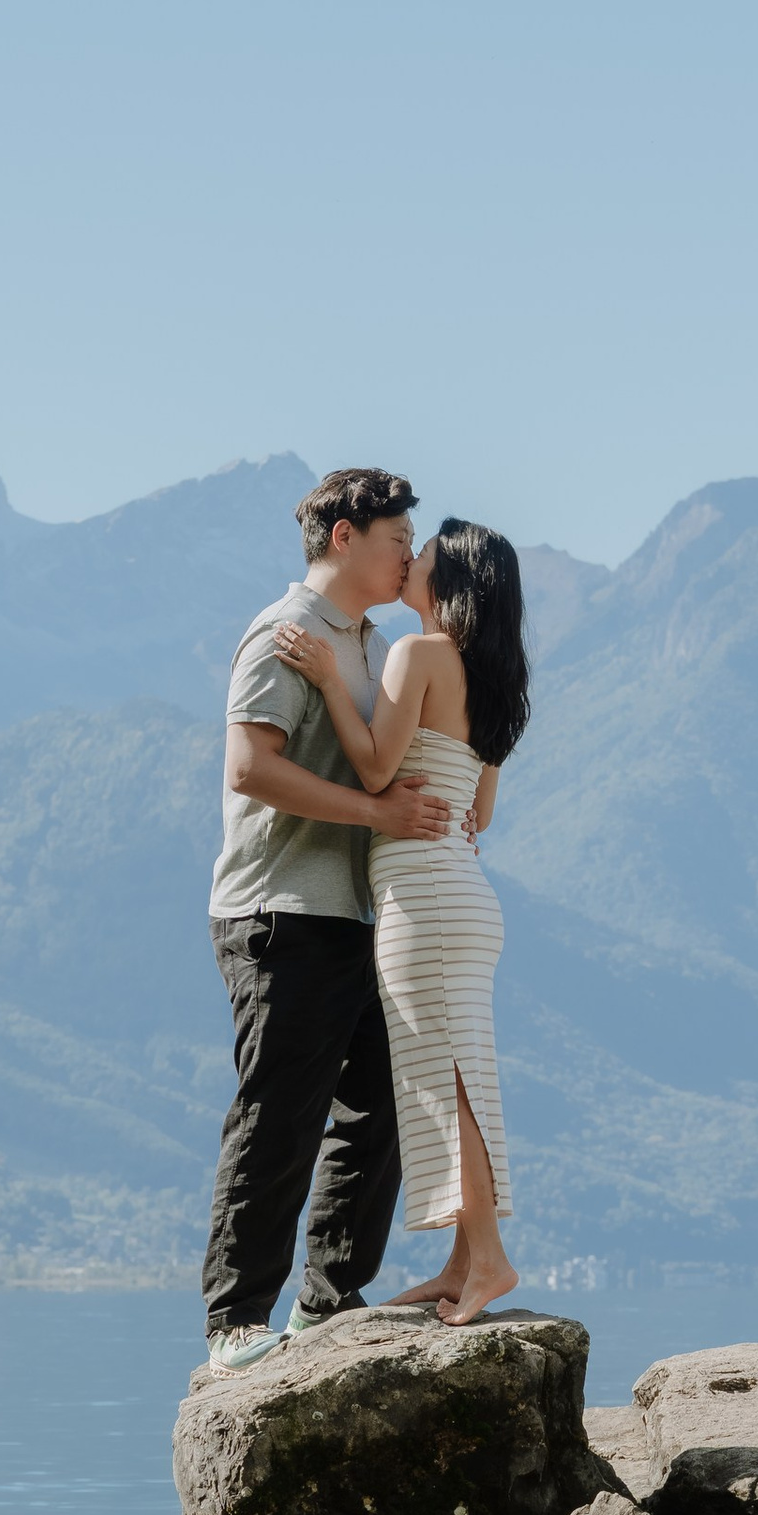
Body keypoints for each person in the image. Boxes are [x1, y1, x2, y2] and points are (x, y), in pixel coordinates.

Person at [200, 467, 452, 1374]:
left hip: (356, 912)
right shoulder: (286, 632)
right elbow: (249, 768)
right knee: (280, 1114)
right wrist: (379, 813)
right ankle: (236, 1316)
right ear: (345, 536)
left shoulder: (371, 642)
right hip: (280, 910)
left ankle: (329, 1297)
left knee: (382, 1100)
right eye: (397, 539)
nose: (409, 556)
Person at [277, 520, 529, 1324]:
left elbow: (376, 768)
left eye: (423, 555)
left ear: (451, 581)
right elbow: (480, 811)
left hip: (422, 897)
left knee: (445, 1078)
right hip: (465, 895)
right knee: (464, 1072)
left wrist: (327, 679)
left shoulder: (417, 654)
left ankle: (488, 1258)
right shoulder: (492, 678)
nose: (409, 559)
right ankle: (464, 1261)